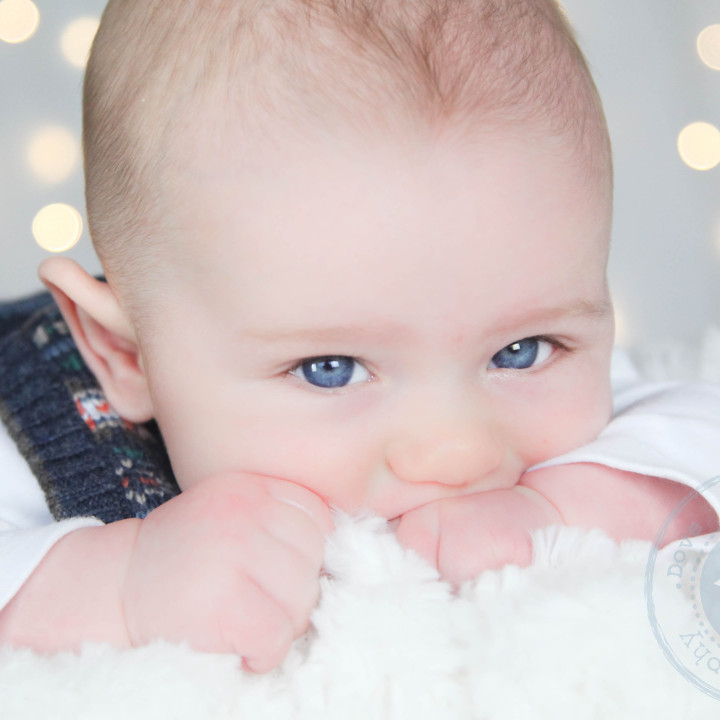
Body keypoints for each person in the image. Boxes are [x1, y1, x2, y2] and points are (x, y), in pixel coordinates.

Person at [1, 0, 719, 673]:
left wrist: (571, 506)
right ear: (125, 353)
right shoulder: (30, 426)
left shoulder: (496, 336)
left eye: (518, 352)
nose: (456, 451)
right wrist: (121, 584)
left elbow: (697, 428)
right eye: (331, 368)